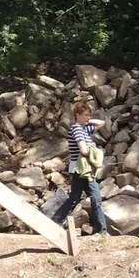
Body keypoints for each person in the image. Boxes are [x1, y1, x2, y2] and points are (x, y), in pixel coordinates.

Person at [51, 93, 110, 235]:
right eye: (85, 115)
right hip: (82, 169)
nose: (88, 118)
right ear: (77, 115)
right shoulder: (77, 129)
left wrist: (87, 121)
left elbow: (101, 123)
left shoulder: (83, 128)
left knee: (75, 197)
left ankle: (54, 222)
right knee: (95, 197)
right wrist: (96, 154)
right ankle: (102, 231)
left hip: (79, 168)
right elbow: (83, 150)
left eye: (89, 115)